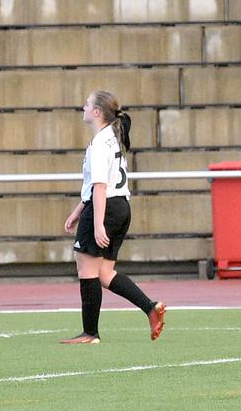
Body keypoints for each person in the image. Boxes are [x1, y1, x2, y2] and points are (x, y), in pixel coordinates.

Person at [61, 90, 166, 344]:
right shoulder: (111, 138)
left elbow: (99, 187)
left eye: (87, 104)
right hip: (121, 207)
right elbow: (98, 184)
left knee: (85, 266)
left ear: (97, 112)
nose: (83, 107)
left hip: (105, 207)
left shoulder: (99, 144)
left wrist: (96, 224)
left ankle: (90, 333)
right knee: (105, 272)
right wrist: (78, 211)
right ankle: (150, 308)